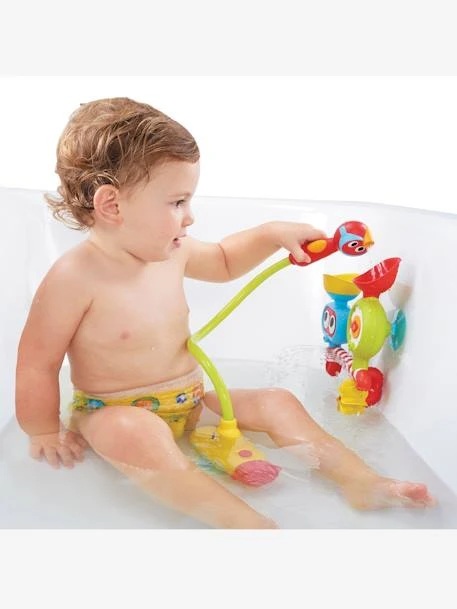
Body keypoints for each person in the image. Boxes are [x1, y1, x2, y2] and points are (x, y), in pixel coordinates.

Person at [15, 97, 435, 529]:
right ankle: (241, 522)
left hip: (191, 403)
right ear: (112, 205)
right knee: (132, 431)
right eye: (177, 202)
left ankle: (359, 480)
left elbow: (223, 260)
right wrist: (43, 430)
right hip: (111, 412)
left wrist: (271, 235)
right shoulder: (73, 278)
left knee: (276, 403)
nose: (190, 218)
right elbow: (36, 364)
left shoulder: (172, 252)